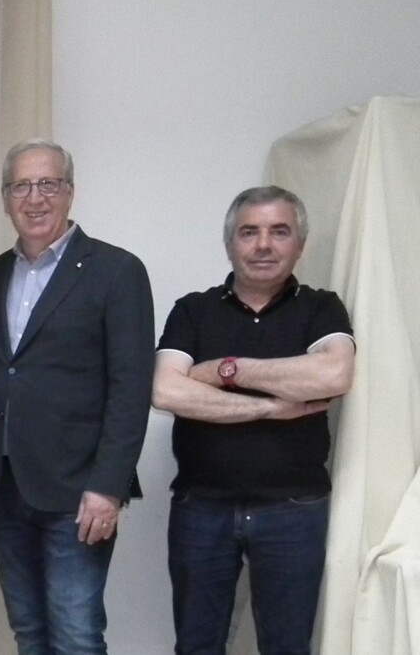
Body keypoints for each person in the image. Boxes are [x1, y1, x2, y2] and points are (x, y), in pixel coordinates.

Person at [151, 186, 355, 655]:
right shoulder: (193, 310)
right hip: (201, 508)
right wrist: (270, 405)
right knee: (197, 646)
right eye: (250, 232)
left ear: (300, 243)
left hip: (293, 510)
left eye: (279, 231)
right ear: (230, 244)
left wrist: (227, 370)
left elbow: (334, 372)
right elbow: (166, 391)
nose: (263, 244)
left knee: (287, 647)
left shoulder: (321, 307)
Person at [0, 139, 154, 654]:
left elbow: (131, 387)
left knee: (75, 636)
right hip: (8, 490)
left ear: (70, 192)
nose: (35, 198)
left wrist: (108, 486)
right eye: (21, 186)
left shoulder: (117, 272)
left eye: (48, 183)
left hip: (79, 494)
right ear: (6, 197)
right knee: (29, 634)